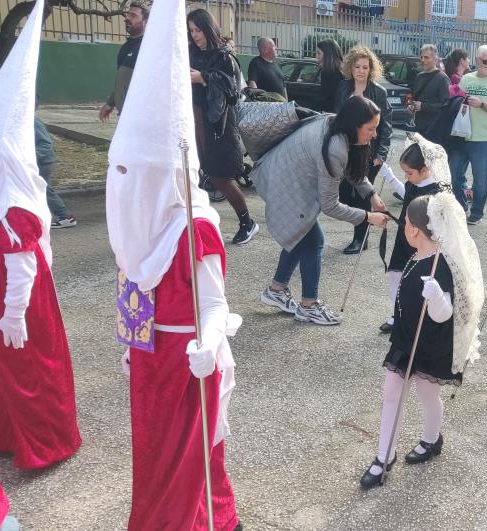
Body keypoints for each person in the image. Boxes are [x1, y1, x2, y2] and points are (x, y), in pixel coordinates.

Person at [107, 0, 241, 526]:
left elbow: (215, 303)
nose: (125, 185)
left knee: (187, 457)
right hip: (149, 359)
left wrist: (210, 343)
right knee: (153, 454)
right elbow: (132, 284)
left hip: (186, 360)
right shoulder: (135, 227)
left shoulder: (195, 227)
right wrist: (130, 341)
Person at [0, 0, 82, 472]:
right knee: (1, 368)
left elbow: (21, 263)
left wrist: (14, 312)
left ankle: (46, 442)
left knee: (28, 369)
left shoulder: (14, 204)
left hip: (18, 302)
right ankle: (3, 431)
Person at [359, 192, 483, 489]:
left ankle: (431, 438)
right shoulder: (417, 256)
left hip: (430, 344)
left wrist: (437, 296)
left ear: (414, 229)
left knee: (427, 394)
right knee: (392, 393)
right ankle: (384, 455)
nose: (404, 228)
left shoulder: (443, 265)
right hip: (406, 339)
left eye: (405, 223)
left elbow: (444, 315)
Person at [254, 96, 388, 325]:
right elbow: (330, 206)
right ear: (354, 125)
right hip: (282, 183)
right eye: (370, 129)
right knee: (313, 241)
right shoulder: (335, 147)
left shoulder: (337, 125)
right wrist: (367, 217)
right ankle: (309, 306)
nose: (374, 135)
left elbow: (351, 168)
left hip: (280, 173)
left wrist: (371, 194)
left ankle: (276, 290)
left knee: (300, 235)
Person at [187, 8, 258, 245]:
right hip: (196, 122)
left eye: (198, 30)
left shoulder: (224, 56)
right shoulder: (190, 52)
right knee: (196, 175)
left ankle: (248, 223)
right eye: (191, 30)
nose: (195, 35)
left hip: (219, 125)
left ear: (208, 28)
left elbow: (233, 91)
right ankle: (195, 227)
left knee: (221, 178)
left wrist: (204, 77)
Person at [377, 134, 451, 333]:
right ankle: (397, 314)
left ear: (425, 170)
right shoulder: (413, 183)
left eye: (409, 172)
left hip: (423, 243)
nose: (406, 177)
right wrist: (388, 175)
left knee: (416, 280)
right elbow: (407, 193)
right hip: (405, 236)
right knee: (395, 274)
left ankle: (414, 316)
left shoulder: (437, 192)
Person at [335, 45, 392, 254]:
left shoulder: (378, 92)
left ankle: (360, 239)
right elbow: (337, 116)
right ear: (351, 67)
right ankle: (365, 221)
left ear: (371, 69)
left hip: (369, 151)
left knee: (363, 195)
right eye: (357, 66)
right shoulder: (343, 87)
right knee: (341, 193)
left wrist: (381, 154)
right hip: (344, 149)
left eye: (365, 67)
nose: (361, 71)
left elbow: (386, 125)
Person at [448, 45, 487, 225]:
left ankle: (477, 212)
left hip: (483, 138)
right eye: (486, 61)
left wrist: (482, 105)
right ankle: (461, 206)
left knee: (480, 179)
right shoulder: (467, 78)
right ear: (477, 60)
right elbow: (456, 99)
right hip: (461, 135)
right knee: (454, 175)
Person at [99, 0, 147, 121]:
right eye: (127, 14)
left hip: (142, 115)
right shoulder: (125, 48)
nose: (126, 18)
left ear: (145, 22)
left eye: (133, 15)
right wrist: (110, 103)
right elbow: (122, 82)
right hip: (124, 115)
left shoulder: (149, 47)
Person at [34, 113, 76, 228]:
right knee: (42, 188)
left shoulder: (31, 120)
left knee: (42, 188)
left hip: (41, 161)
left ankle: (65, 216)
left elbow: (45, 145)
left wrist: (29, 156)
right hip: (39, 160)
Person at [409, 44, 450, 134]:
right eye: (421, 57)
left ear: (435, 60)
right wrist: (412, 106)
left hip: (434, 129)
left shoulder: (442, 79)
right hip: (418, 127)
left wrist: (423, 106)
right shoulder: (419, 77)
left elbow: (446, 106)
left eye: (426, 57)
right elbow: (415, 98)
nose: (423, 60)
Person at [315, 39, 343, 112]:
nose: (316, 56)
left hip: (334, 115)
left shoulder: (340, 74)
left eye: (319, 53)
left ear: (328, 55)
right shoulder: (325, 72)